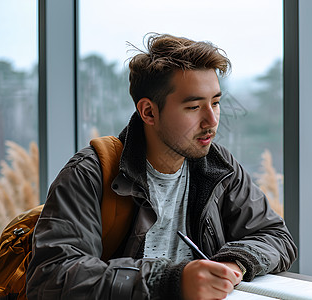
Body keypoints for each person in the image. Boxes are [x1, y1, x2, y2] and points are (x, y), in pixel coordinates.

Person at [26, 33, 297, 300]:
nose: (212, 121)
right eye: (193, 107)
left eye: (215, 102)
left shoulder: (218, 168)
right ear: (148, 112)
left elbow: (276, 236)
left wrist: (234, 263)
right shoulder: (89, 173)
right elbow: (52, 278)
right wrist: (169, 281)